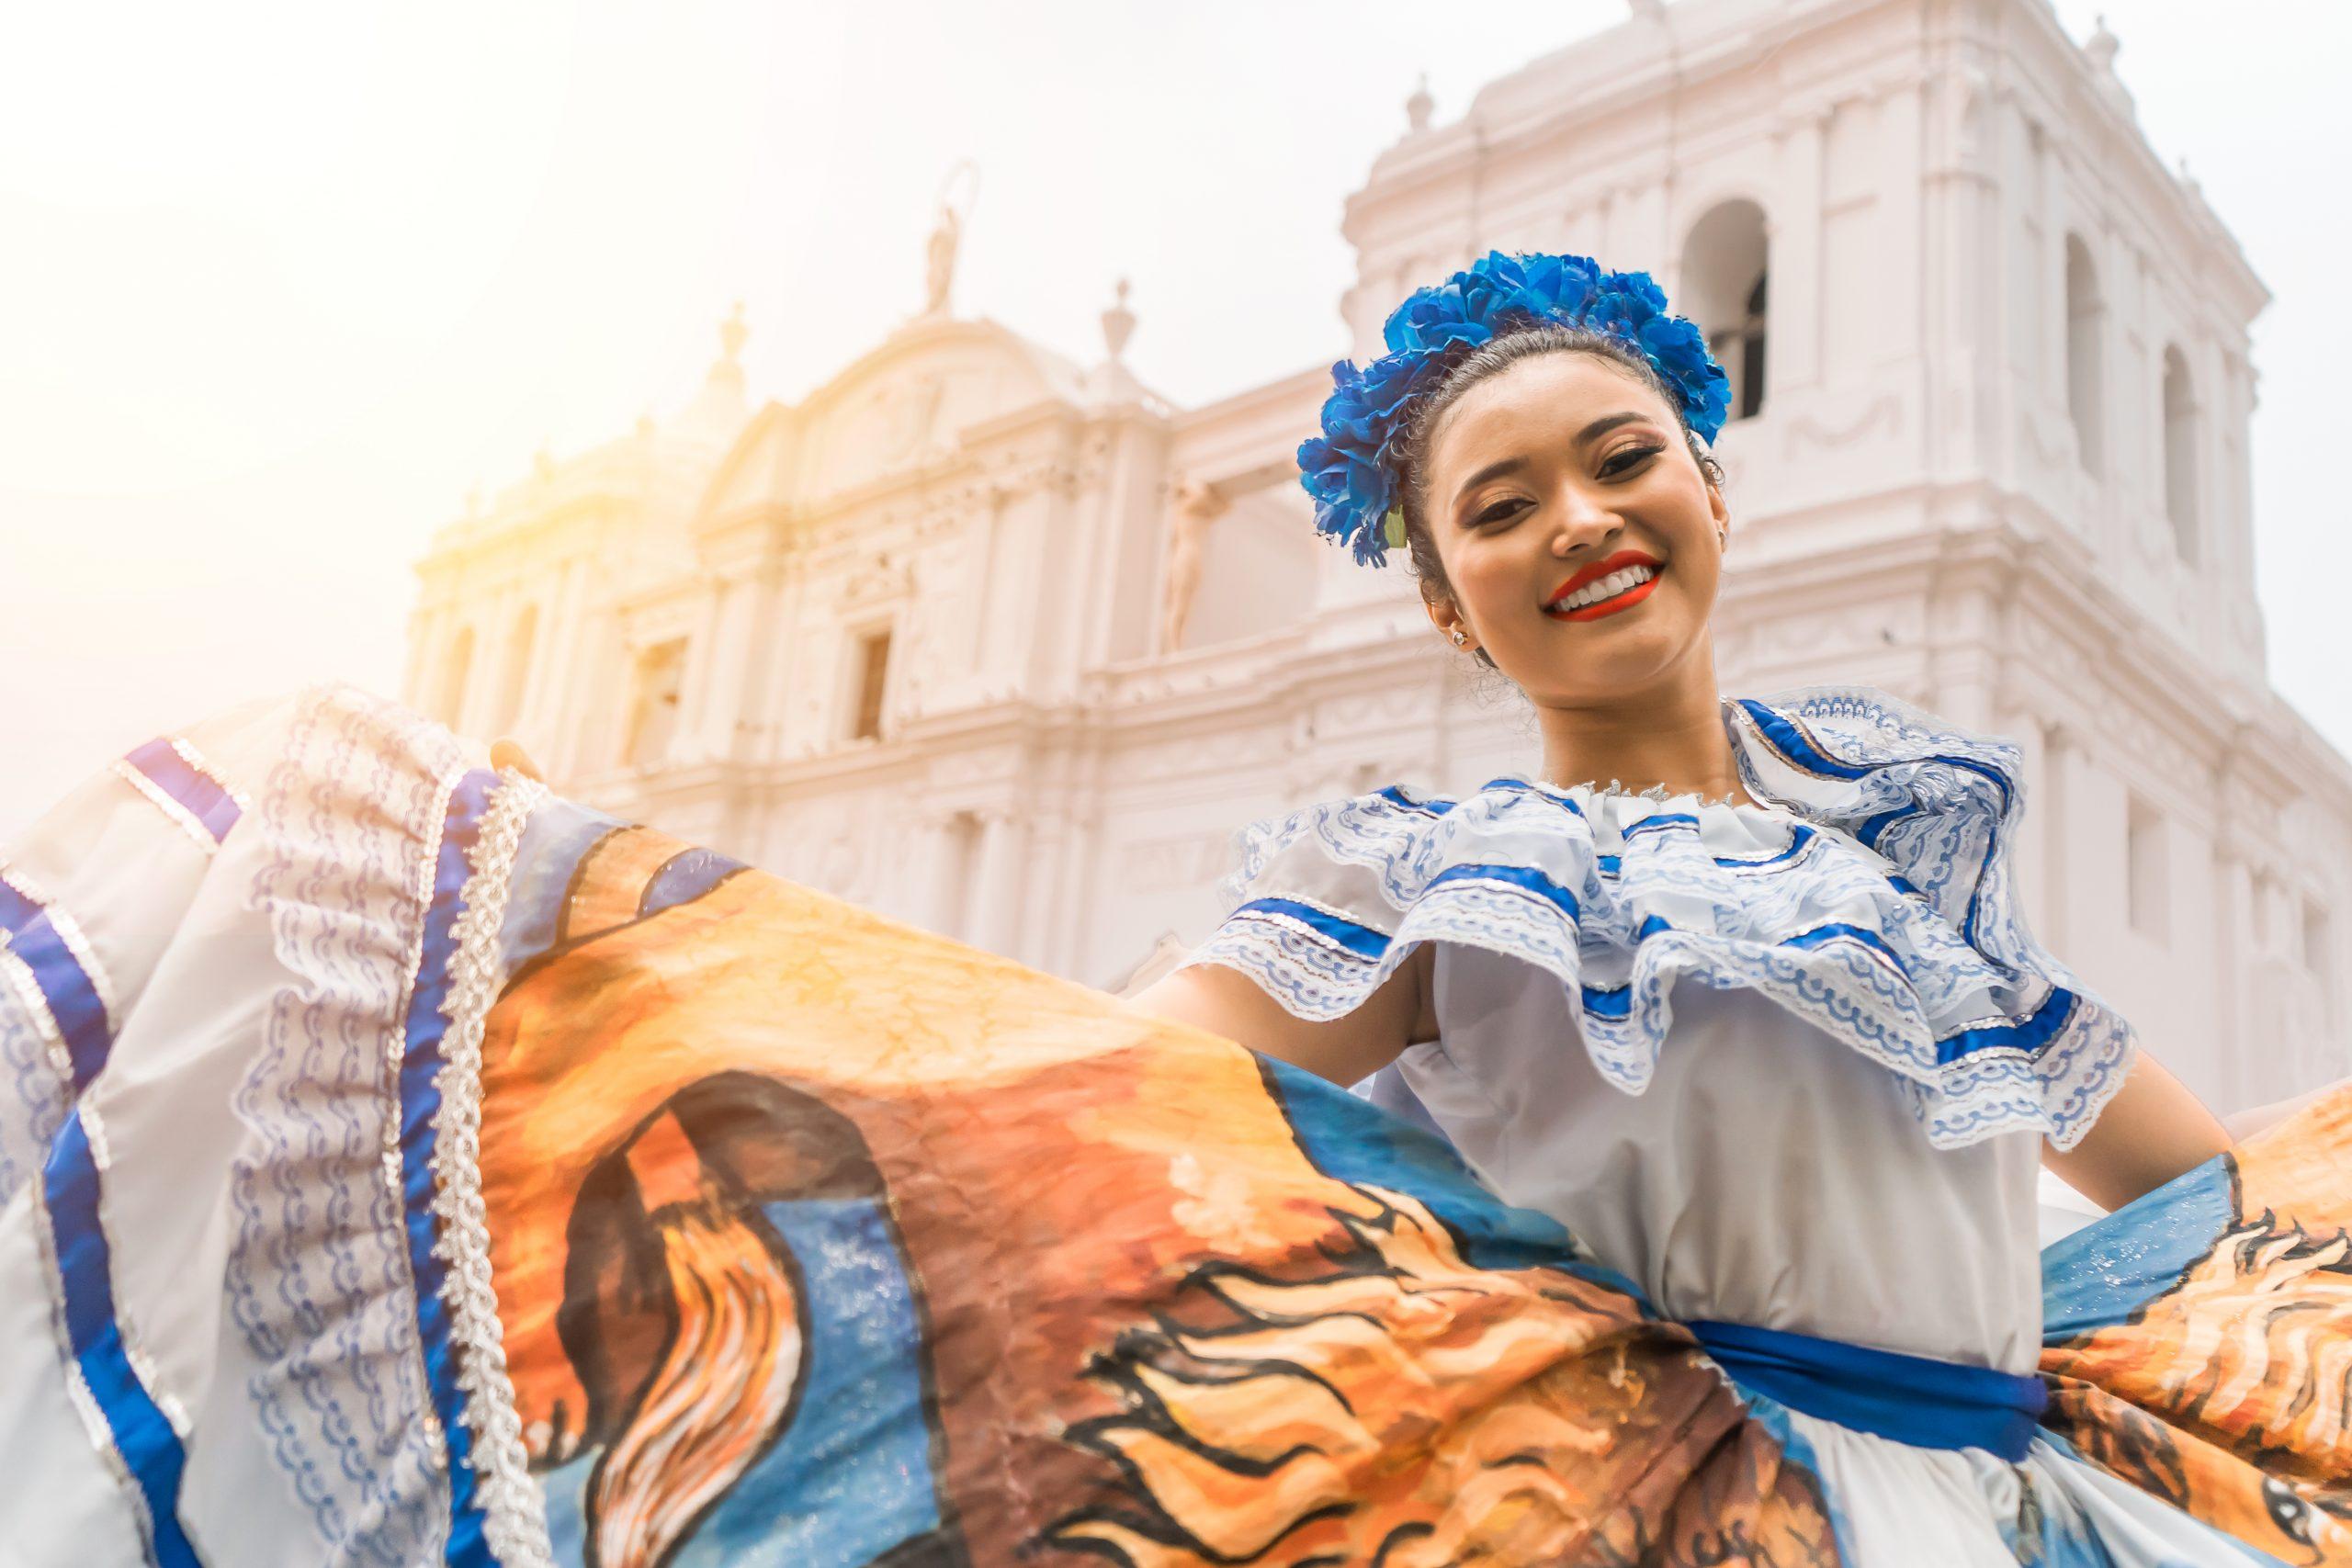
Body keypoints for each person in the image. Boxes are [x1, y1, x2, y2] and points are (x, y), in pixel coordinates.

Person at [6, 255, 2351, 1567]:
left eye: (1619, 455)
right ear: (1447, 602)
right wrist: (560, 905)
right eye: (1499, 503)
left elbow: (2204, 1188)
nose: (1576, 520)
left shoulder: (1906, 840)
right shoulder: (1431, 880)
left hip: (2044, 1522)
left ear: (1707, 480)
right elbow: (1067, 1086)